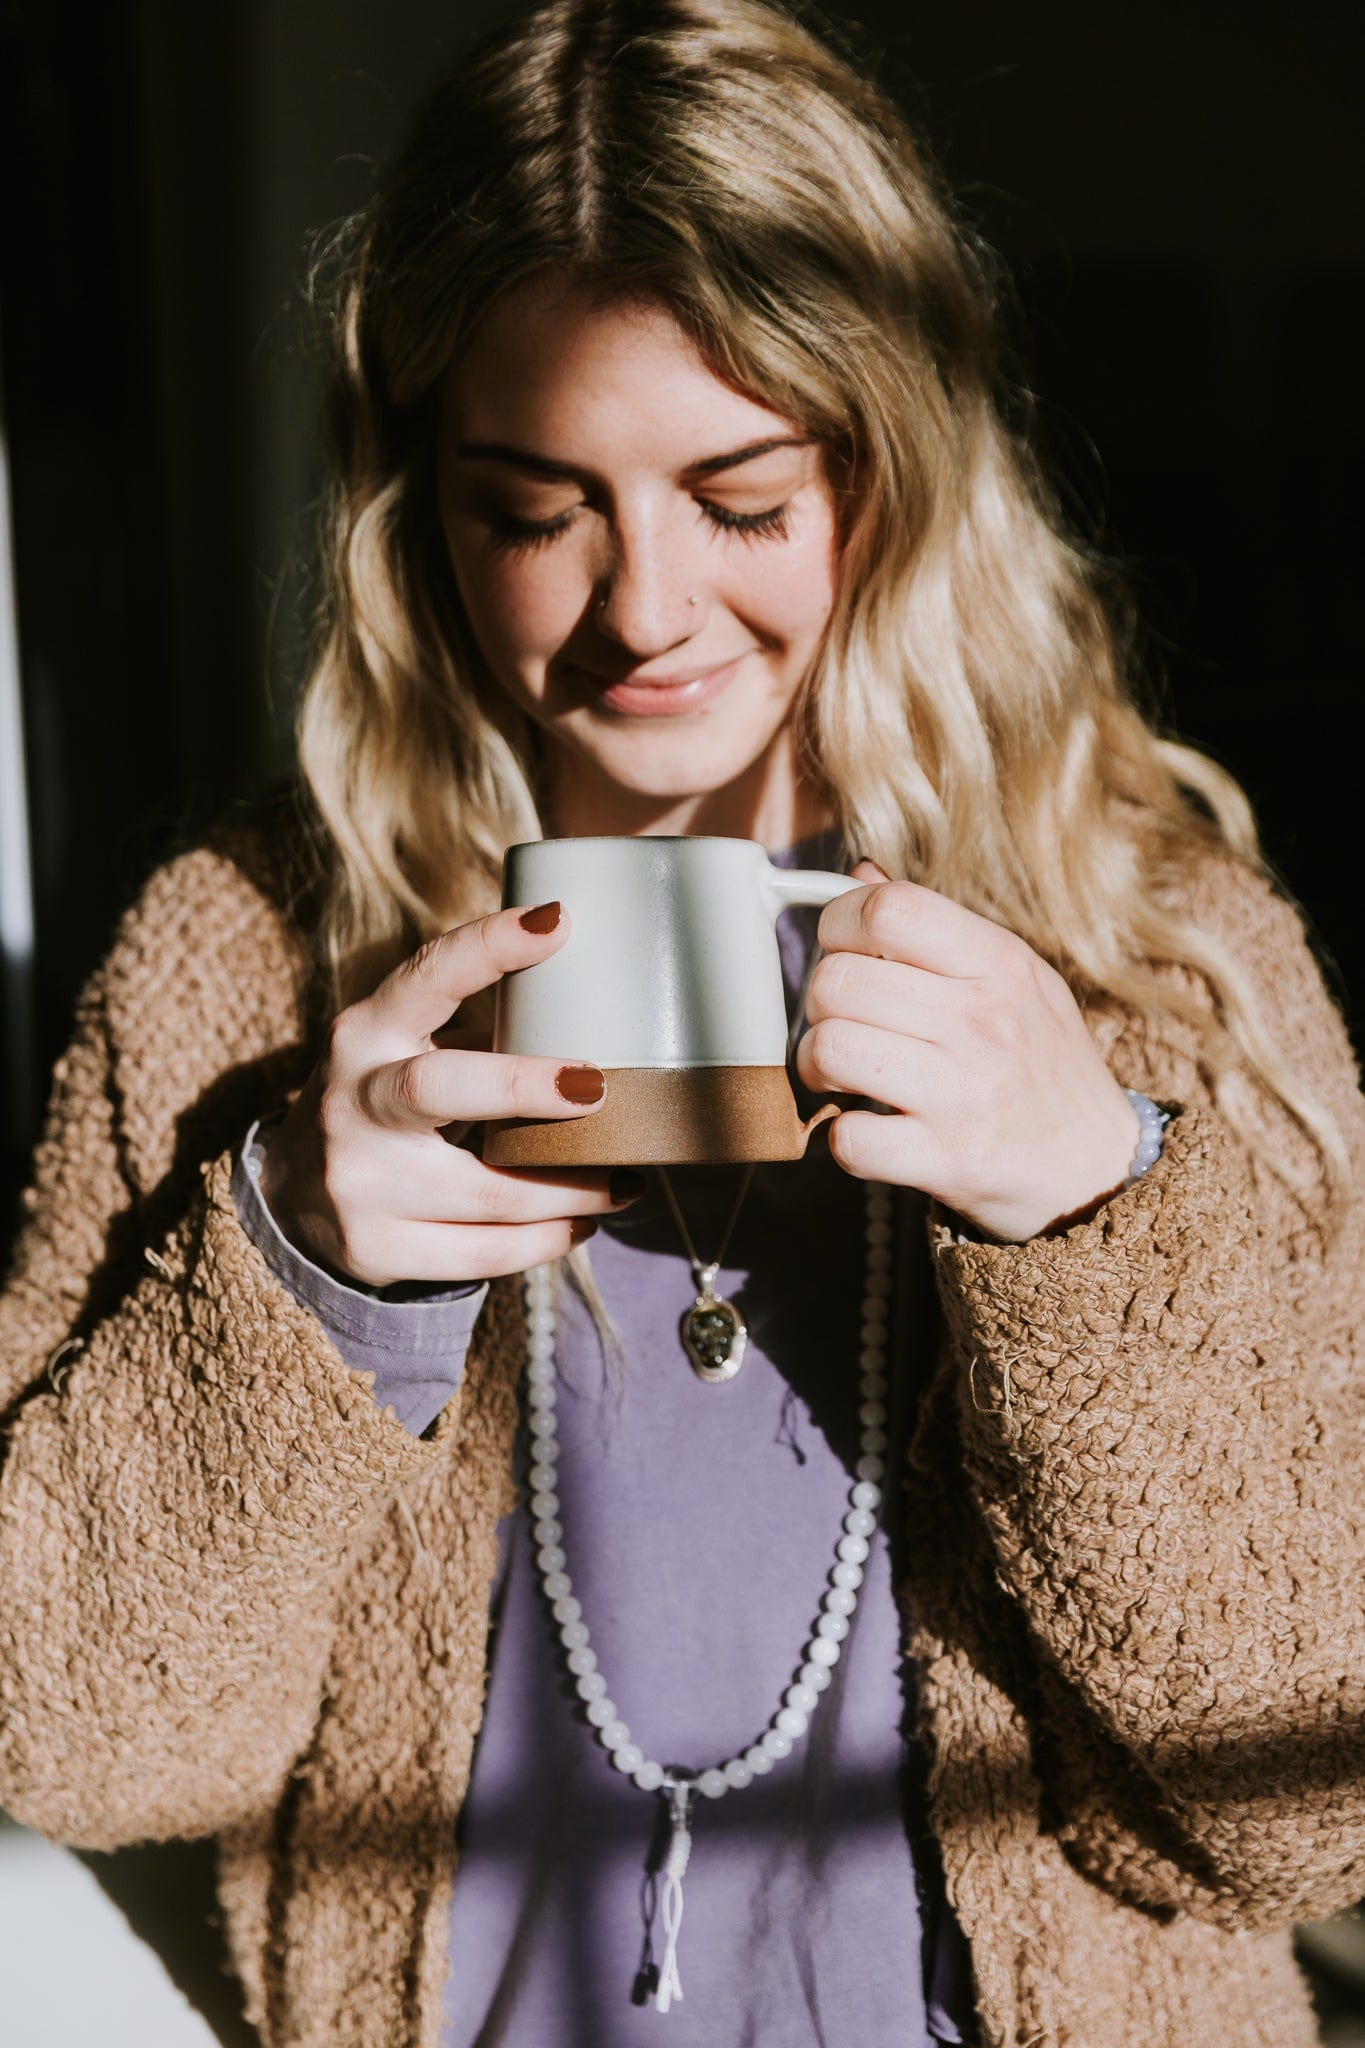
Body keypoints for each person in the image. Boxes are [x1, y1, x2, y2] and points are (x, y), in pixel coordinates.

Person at [1, 0, 1362, 2042]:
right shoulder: (240, 974)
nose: (642, 608)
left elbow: (1296, 1818)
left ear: (891, 465)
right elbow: (74, 1748)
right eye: (533, 509)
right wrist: (293, 1270)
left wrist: (1093, 1206)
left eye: (738, 499)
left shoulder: (1157, 964)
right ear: (412, 517)